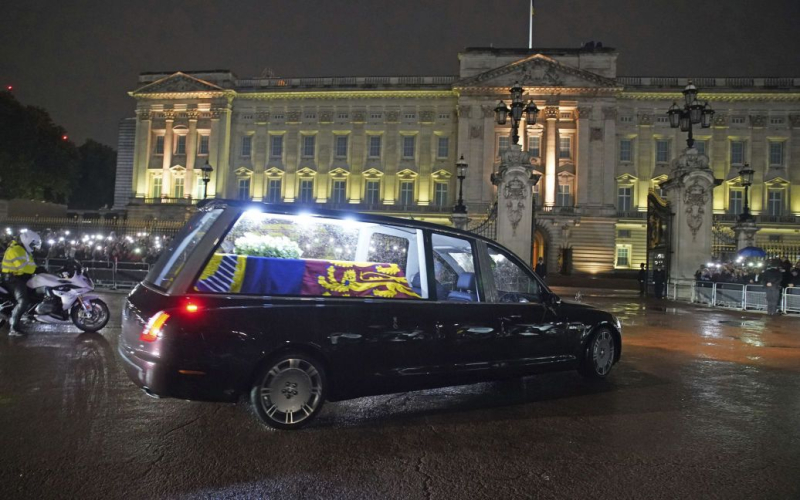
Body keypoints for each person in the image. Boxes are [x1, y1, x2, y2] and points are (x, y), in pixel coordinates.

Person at [1, 231, 42, 336]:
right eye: (33, 244)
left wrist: (38, 269)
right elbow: (22, 267)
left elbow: (31, 265)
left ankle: (28, 314)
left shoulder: (24, 251)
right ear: (27, 241)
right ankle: (14, 328)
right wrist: (36, 270)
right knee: (23, 300)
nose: (33, 247)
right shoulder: (16, 250)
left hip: (21, 277)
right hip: (12, 279)